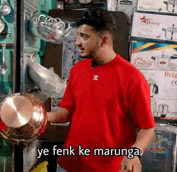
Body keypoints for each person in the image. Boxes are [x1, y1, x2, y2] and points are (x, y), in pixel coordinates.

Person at [47, 8, 156, 172]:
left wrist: (134, 153)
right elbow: (67, 111)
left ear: (104, 41)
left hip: (108, 168)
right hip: (68, 164)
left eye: (84, 37)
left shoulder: (132, 78)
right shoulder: (77, 70)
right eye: (78, 35)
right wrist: (38, 116)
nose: (77, 42)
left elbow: (147, 128)